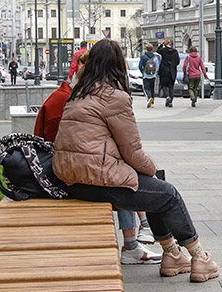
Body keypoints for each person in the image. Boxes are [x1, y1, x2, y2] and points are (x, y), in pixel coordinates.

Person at [52, 40, 220, 282]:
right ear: (118, 64)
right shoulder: (113, 96)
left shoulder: (79, 93)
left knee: (155, 188)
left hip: (72, 179)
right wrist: (152, 170)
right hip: (98, 181)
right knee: (168, 194)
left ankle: (172, 254)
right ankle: (200, 257)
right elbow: (132, 152)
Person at [34, 74, 161, 265]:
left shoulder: (74, 96)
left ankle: (142, 233)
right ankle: (141, 238)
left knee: (124, 172)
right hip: (68, 176)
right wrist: (152, 172)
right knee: (124, 178)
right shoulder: (69, 100)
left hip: (68, 169)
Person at [157, 40, 181, 108]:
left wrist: (161, 45)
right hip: (172, 72)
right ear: (171, 44)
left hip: (164, 71)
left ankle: (167, 97)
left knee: (163, 85)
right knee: (171, 87)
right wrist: (173, 65)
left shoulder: (163, 50)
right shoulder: (175, 51)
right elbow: (178, 62)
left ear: (165, 44)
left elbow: (157, 51)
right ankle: (170, 102)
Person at [139, 44, 160, 109]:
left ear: (146, 49)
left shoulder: (143, 57)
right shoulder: (155, 57)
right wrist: (155, 73)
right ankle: (152, 102)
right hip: (153, 75)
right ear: (152, 49)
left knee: (146, 88)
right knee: (152, 88)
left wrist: (143, 72)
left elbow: (140, 66)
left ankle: (149, 98)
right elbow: (157, 66)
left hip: (146, 75)